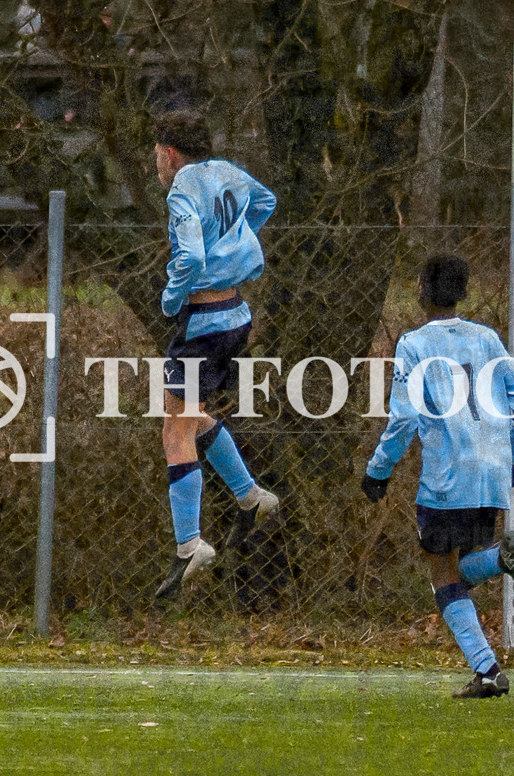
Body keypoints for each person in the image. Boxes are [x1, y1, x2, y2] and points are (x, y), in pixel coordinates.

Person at [361, 254, 514, 698]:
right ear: (464, 292)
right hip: (493, 474)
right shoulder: (487, 339)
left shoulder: (414, 344)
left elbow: (404, 419)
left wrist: (378, 469)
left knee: (442, 576)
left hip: (449, 476)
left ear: (422, 290)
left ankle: (487, 669)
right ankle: (500, 569)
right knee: (457, 571)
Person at [152, 109, 280, 599]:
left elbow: (190, 257)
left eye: (156, 157)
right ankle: (250, 495)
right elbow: (265, 201)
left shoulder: (183, 186)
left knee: (174, 428)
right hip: (235, 318)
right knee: (188, 412)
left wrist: (170, 296)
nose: (157, 168)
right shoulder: (229, 172)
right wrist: (237, 242)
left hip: (203, 323)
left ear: (169, 153)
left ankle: (190, 546)